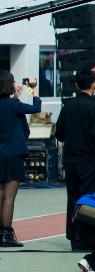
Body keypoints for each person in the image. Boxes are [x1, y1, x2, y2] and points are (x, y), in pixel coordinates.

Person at [55, 68, 95, 250]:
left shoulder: (68, 106)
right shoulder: (94, 106)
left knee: (73, 197)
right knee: (88, 197)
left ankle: (74, 237)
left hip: (71, 158)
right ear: (93, 84)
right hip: (88, 158)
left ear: (77, 84)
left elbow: (59, 132)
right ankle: (86, 237)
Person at [0, 73, 40, 247]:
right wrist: (33, 89)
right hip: (13, 154)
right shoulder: (13, 104)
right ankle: (6, 234)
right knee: (9, 197)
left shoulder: (11, 104)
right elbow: (35, 108)